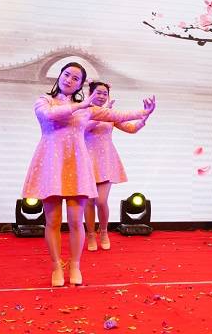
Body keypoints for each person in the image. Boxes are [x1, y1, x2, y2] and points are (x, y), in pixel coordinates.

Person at [21, 62, 155, 286]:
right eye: (67, 75)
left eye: (75, 78)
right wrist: (82, 104)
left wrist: (144, 112)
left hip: (78, 165)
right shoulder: (44, 101)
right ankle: (56, 266)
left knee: (76, 220)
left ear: (80, 85)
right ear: (60, 76)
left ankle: (75, 265)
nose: (69, 80)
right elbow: (50, 115)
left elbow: (117, 115)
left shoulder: (88, 109)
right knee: (52, 221)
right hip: (50, 165)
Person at [84, 81, 155, 251]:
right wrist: (103, 114)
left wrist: (145, 117)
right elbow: (83, 129)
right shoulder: (83, 111)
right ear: (90, 94)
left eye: (105, 93)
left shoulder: (110, 115)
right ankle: (91, 235)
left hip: (106, 161)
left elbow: (131, 128)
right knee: (89, 202)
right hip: (86, 161)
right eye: (98, 92)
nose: (102, 96)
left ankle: (103, 232)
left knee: (101, 201)